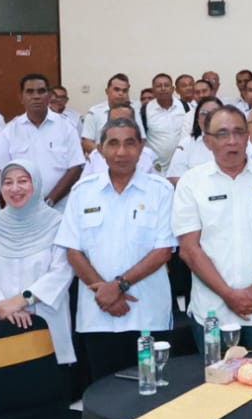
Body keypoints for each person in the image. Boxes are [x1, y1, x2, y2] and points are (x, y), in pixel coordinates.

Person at [174, 106, 252, 353]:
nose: (232, 140)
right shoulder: (191, 182)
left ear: (247, 137)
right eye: (222, 133)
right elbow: (189, 250)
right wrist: (228, 294)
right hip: (213, 312)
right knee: (216, 377)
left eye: (238, 132)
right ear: (207, 141)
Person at [56, 117, 177, 382]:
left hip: (148, 314)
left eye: (129, 143)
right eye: (113, 144)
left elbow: (163, 251)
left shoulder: (161, 191)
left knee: (152, 392)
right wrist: (105, 291)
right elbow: (73, 251)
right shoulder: (83, 191)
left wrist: (118, 286)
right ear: (100, 149)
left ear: (141, 146)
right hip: (97, 314)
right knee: (103, 394)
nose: (121, 152)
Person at [0, 160, 75, 365]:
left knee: (46, 379)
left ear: (36, 183)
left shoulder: (58, 224)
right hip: (1, 323)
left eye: (23, 181)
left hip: (47, 323)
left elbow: (61, 272)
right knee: (3, 380)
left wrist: (21, 300)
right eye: (8, 182)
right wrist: (1, 305)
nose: (15, 188)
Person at [0, 73, 85, 208]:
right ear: (21, 98)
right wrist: (19, 201)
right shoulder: (10, 131)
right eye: (30, 92)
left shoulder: (67, 127)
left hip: (60, 208)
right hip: (22, 209)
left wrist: (50, 201)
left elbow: (75, 168)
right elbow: (1, 171)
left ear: (49, 96)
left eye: (41, 91)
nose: (36, 96)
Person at [139, 73, 191, 170]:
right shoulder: (145, 110)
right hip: (155, 166)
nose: (163, 88)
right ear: (153, 90)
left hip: (181, 165)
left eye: (166, 85)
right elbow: (141, 138)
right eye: (159, 86)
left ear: (172, 89)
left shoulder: (184, 106)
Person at [166, 96, 222, 184]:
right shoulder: (186, 144)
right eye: (204, 113)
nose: (209, 117)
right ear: (197, 119)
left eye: (214, 112)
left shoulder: (235, 142)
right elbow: (174, 176)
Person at [80, 74, 133, 153]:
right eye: (116, 89)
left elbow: (140, 140)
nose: (121, 93)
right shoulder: (95, 112)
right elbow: (87, 142)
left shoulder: (134, 112)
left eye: (124, 91)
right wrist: (107, 156)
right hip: (101, 158)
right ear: (107, 91)